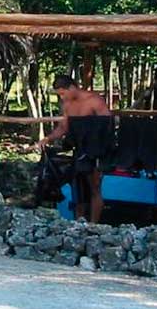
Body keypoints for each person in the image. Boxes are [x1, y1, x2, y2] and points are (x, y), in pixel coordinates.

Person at [35, 75, 111, 222]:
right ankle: (79, 224)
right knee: (78, 189)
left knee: (95, 187)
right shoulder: (67, 105)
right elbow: (64, 127)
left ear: (72, 87)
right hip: (79, 150)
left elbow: (107, 126)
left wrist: (101, 151)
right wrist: (48, 138)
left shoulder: (94, 101)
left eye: (63, 93)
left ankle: (93, 225)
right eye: (59, 95)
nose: (62, 97)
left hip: (96, 150)